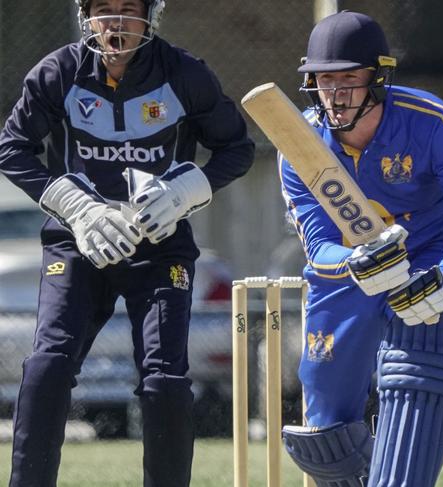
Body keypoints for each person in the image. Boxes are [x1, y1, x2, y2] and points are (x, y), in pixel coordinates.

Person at [0, 0, 254, 485]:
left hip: (159, 246)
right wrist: (77, 208)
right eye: (104, 10)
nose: (115, 23)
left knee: (164, 381)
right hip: (79, 242)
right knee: (48, 366)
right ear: (85, 17)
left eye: (127, 10)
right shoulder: (59, 72)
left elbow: (236, 148)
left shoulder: (185, 74)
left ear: (152, 17)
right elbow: (12, 149)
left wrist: (184, 192)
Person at [278, 11, 443, 487]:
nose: (333, 94)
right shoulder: (298, 144)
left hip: (427, 256)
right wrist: (355, 262)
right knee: (324, 428)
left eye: (348, 79)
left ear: (378, 78)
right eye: (323, 79)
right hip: (349, 266)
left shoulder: (430, 122)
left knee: (417, 370)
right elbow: (318, 246)